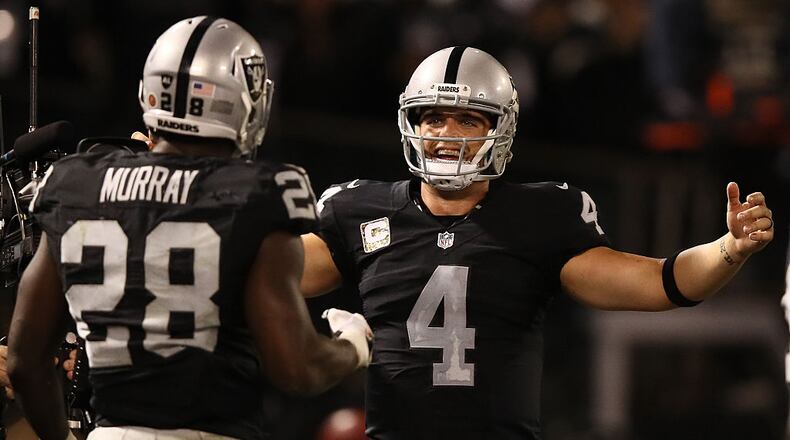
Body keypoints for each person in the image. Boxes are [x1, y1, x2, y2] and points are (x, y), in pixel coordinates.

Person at [300, 46, 775, 439]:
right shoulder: (360, 210)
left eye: (468, 120)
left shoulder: (537, 216)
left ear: (498, 130)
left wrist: (729, 247)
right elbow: (271, 276)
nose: (447, 136)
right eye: (434, 119)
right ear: (412, 124)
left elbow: (661, 282)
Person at [7, 16, 371, 440]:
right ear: (246, 102)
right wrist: (353, 345)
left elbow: (25, 360)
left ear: (150, 93)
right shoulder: (258, 194)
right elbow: (296, 368)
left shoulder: (76, 183)